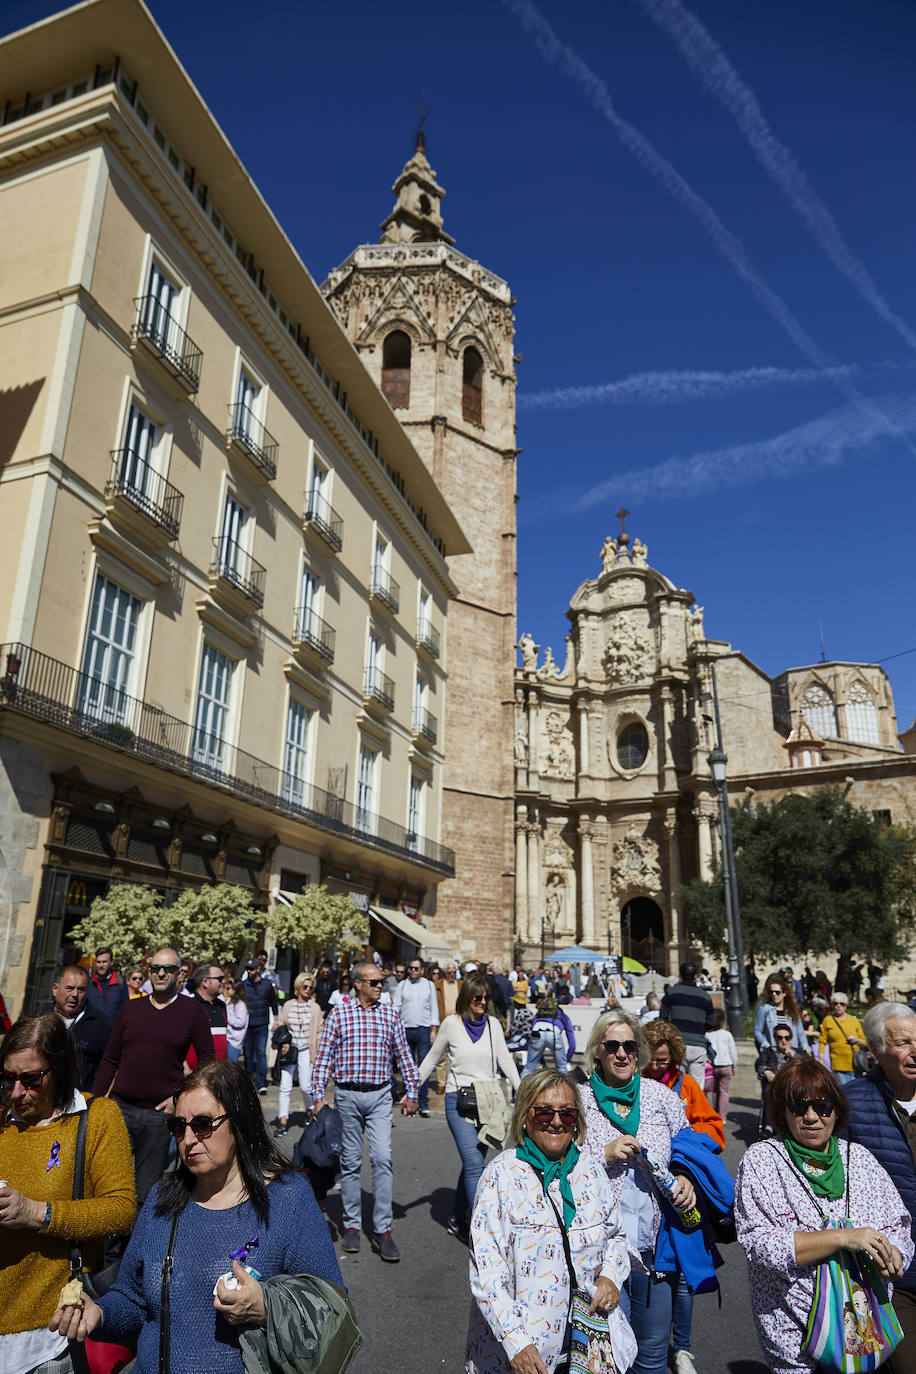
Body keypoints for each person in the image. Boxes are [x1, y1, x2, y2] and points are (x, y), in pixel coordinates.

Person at [51, 1059, 343, 1373]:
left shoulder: (289, 1197)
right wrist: (99, 1313)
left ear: (240, 1120)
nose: (188, 1139)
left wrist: (266, 1308)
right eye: (179, 1127)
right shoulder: (162, 1199)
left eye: (202, 1124)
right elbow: (133, 1298)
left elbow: (330, 1309)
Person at [736, 1057, 913, 1374]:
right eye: (798, 1107)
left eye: (823, 1106)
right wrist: (843, 1237)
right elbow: (761, 1245)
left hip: (860, 1326)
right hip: (796, 1330)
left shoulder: (858, 1157)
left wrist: (895, 1254)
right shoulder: (763, 1159)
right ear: (782, 1111)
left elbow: (896, 1224)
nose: (812, 1117)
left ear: (836, 1108)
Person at [466, 1067, 636, 1374]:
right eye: (544, 1114)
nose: (557, 1122)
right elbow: (487, 1272)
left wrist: (610, 1275)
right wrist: (515, 1341)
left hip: (586, 1343)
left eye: (567, 1115)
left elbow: (616, 1236)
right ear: (525, 1117)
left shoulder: (591, 1170)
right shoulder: (500, 1176)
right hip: (521, 1352)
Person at [0, 1013, 136, 1374]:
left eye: (31, 1080)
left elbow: (121, 1210)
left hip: (49, 1336)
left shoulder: (95, 1118)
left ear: (58, 1069)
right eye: (8, 1078)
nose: (16, 1093)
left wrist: (36, 1213)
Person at [580, 1008, 697, 1374]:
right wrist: (603, 1155)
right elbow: (559, 1170)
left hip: (655, 1249)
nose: (622, 1053)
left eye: (629, 1046)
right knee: (611, 1360)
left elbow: (687, 1147)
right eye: (612, 1045)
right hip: (601, 1255)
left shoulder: (660, 1097)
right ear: (597, 1050)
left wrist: (686, 1176)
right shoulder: (578, 1101)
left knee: (651, 1357)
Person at [312, 960, 420, 1262]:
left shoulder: (389, 1015)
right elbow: (323, 1059)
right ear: (357, 984)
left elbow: (404, 1057)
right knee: (350, 1161)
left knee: (382, 1158)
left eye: (381, 982)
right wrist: (318, 1097)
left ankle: (383, 1229)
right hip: (347, 1095)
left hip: (380, 1096)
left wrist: (412, 1092)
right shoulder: (339, 1014)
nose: (380, 986)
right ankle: (351, 1226)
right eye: (374, 982)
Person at [93, 945, 214, 1208]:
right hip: (119, 1109)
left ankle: (134, 1248)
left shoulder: (192, 1011)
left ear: (179, 973)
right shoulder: (130, 1009)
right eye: (155, 968)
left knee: (143, 1194)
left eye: (167, 969)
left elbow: (208, 1062)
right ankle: (108, 1249)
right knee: (108, 1186)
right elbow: (110, 1058)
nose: (160, 973)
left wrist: (179, 1099)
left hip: (159, 1117)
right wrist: (94, 1100)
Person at [643, 1018, 726, 1374]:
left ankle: (684, 1349)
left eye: (665, 1060)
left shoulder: (687, 1084)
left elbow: (713, 1127)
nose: (659, 1066)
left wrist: (685, 1149)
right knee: (649, 1271)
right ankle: (652, 1345)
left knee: (683, 1271)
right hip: (646, 1191)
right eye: (654, 1059)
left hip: (680, 1191)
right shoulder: (636, 1082)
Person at [417, 972, 520, 1244]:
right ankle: (482, 1230)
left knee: (471, 1164)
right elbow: (431, 1059)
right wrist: (410, 1090)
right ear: (467, 998)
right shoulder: (451, 1024)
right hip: (458, 1100)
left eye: (486, 998)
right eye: (478, 998)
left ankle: (455, 1217)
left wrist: (523, 1090)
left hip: (489, 1103)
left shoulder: (493, 1025)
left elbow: (506, 1061)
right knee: (475, 1164)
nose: (483, 1002)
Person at [845, 1003, 916, 1372]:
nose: (915, 1051)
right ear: (876, 1051)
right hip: (890, 1275)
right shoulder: (849, 1103)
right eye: (903, 1043)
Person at [274, 971, 323, 1138]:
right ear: (298, 987)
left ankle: (309, 1109)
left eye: (311, 987)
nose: (308, 989)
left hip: (307, 1050)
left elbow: (318, 1031)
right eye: (305, 986)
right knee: (285, 1086)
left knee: (305, 1086)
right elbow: (281, 1025)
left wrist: (318, 1054)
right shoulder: (288, 1005)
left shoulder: (315, 1008)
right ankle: (282, 1120)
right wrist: (284, 1041)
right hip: (290, 1050)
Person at [49, 962, 109, 1089]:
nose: (75, 995)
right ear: (55, 989)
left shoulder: (100, 1023)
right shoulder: (39, 1017)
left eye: (81, 989)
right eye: (69, 988)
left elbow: (108, 1065)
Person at [393, 955, 439, 1117]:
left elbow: (433, 1008)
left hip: (423, 1029)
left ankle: (423, 1102)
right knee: (407, 1069)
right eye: (411, 968)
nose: (413, 971)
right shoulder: (403, 985)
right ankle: (408, 1100)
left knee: (424, 1067)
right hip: (405, 1030)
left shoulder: (429, 985)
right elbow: (396, 1007)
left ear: (422, 970)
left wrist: (434, 1031)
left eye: (416, 968)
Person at [660, 962, 717, 1083]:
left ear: (680, 975)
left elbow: (663, 1018)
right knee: (696, 1088)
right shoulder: (705, 996)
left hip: (678, 1044)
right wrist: (699, 1028)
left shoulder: (672, 992)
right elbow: (712, 1022)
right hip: (698, 1045)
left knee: (677, 1086)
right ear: (696, 976)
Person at [240, 957, 277, 1094]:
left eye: (251, 969)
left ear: (258, 969)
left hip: (262, 1024)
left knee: (260, 1053)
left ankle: (262, 1083)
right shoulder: (243, 985)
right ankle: (250, 1081)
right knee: (248, 1055)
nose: (249, 971)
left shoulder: (267, 984)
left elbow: (273, 1002)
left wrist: (276, 1019)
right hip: (247, 1024)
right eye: (247, 969)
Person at [523, 993, 576, 1077]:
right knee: (562, 1068)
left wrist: (542, 1062)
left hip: (537, 1031)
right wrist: (566, 1059)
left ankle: (519, 1088)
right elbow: (572, 1041)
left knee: (529, 1068)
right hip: (554, 1033)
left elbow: (532, 1034)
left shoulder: (538, 1015)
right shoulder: (562, 1014)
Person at [818, 991, 866, 1083]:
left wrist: (857, 1040)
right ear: (832, 1005)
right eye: (835, 1003)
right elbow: (822, 1041)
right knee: (845, 1092)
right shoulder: (828, 1020)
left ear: (846, 1005)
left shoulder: (854, 1020)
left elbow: (864, 1041)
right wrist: (821, 1059)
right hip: (838, 1064)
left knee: (857, 1091)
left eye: (842, 1003)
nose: (838, 1006)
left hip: (855, 1063)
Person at [754, 973, 807, 1053]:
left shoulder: (792, 1010)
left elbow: (800, 1032)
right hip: (773, 1051)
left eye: (777, 992)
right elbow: (757, 1031)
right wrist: (766, 1044)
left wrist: (805, 1046)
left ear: (784, 993)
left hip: (792, 1050)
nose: (774, 995)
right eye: (772, 992)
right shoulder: (765, 1009)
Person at [705, 1008, 738, 1118]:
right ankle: (722, 1116)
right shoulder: (727, 1034)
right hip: (726, 1065)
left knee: (714, 1091)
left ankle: (714, 1113)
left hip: (713, 1066)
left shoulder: (708, 1035)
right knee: (724, 1091)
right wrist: (734, 1065)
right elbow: (732, 1051)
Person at [87, 947, 128, 1030]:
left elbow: (126, 1009)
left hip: (113, 1033)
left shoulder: (120, 982)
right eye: (98, 962)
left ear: (111, 962)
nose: (101, 965)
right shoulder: (88, 983)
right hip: (91, 1031)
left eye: (104, 962)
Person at [193, 962, 228, 1060]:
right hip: (196, 1072)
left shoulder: (222, 1005)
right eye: (220, 979)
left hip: (218, 1070)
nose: (224, 981)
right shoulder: (189, 1004)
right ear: (205, 982)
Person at [224, 978, 249, 1064]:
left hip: (235, 1041)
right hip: (227, 1037)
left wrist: (227, 1018)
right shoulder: (229, 1001)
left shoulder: (241, 1004)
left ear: (236, 990)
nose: (227, 991)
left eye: (229, 988)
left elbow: (240, 1022)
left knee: (231, 1065)